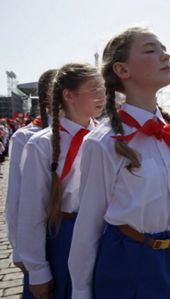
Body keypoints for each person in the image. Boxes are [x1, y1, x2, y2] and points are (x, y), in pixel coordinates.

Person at [68, 27, 170, 299]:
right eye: (151, 50)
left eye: (164, 49)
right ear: (123, 70)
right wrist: (81, 290)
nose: (166, 55)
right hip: (128, 261)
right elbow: (89, 225)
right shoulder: (104, 142)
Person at [17, 63, 104, 299]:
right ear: (69, 95)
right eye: (95, 89)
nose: (103, 96)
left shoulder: (107, 139)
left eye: (104, 90)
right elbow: (31, 211)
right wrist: (37, 270)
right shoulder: (41, 144)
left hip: (104, 238)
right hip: (62, 236)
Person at [5, 69, 57, 287]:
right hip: (44, 231)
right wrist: (18, 250)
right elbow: (17, 198)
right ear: (49, 94)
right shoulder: (26, 136)